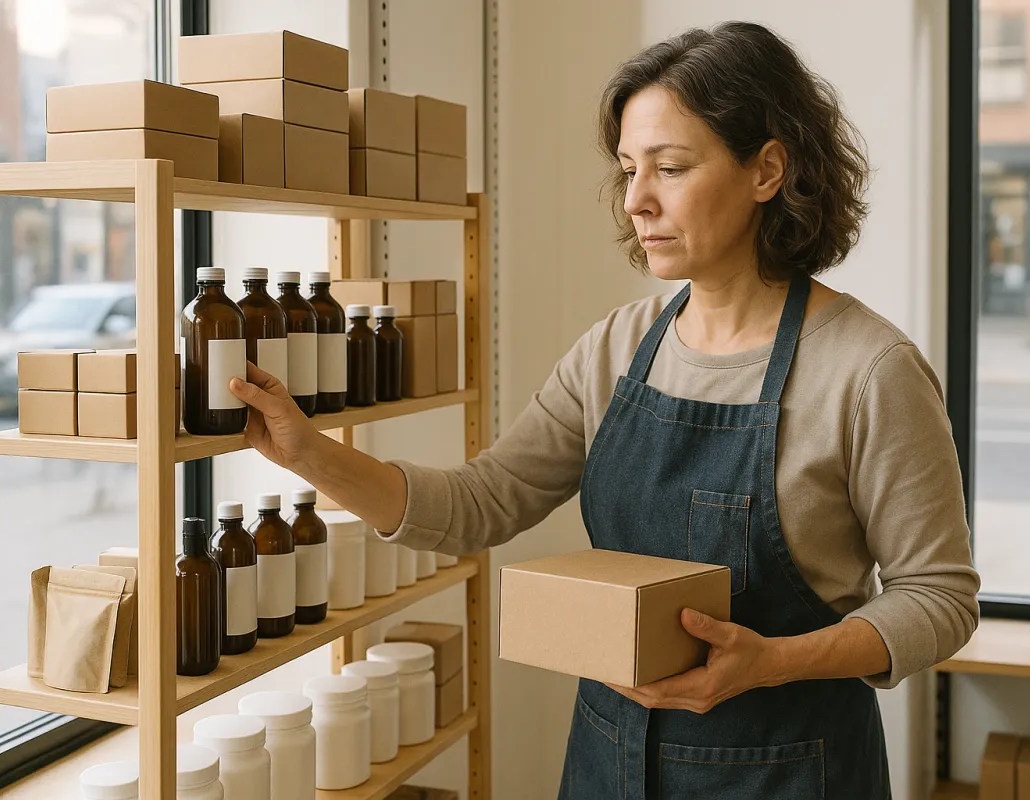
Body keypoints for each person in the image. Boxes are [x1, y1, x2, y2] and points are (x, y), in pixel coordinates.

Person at [229, 20, 980, 800]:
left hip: (790, 769)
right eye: (628, 169)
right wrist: (307, 453)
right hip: (608, 762)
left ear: (768, 170)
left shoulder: (868, 371)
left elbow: (940, 597)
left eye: (671, 167)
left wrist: (773, 661)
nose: (636, 201)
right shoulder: (617, 351)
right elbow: (479, 503)